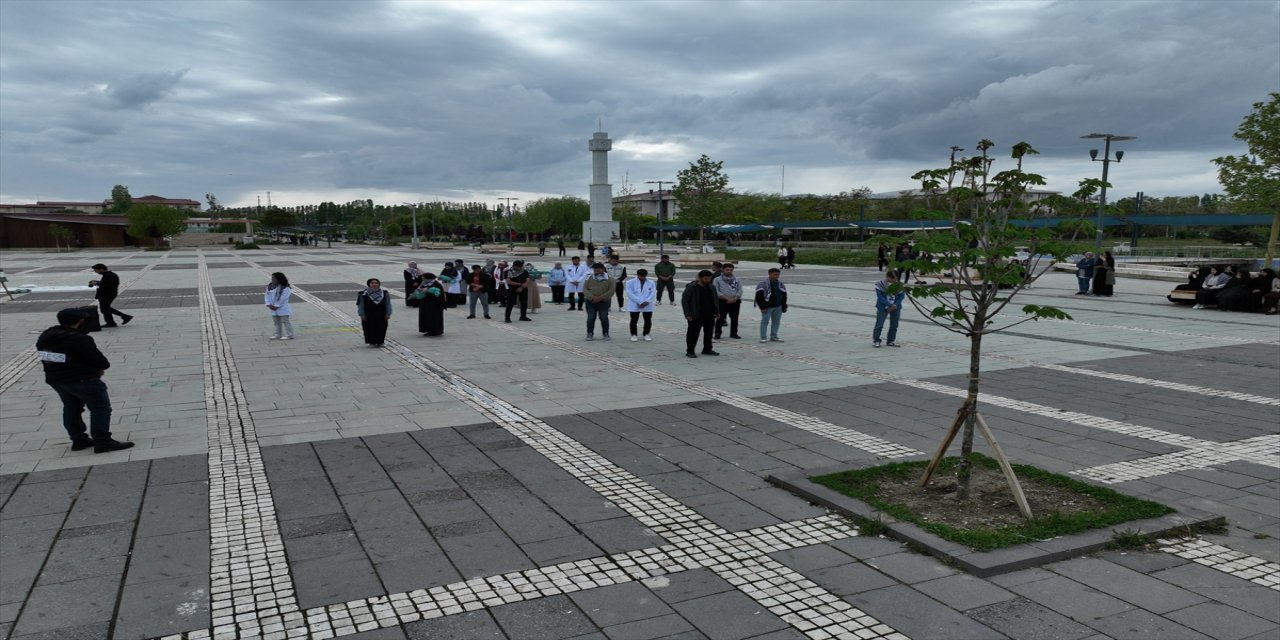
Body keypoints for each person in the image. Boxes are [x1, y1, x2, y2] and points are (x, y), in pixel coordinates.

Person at [38, 308, 134, 453]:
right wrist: (94, 370)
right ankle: (103, 441)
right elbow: (101, 362)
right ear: (80, 321)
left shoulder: (45, 336)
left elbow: (52, 358)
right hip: (83, 380)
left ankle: (78, 440)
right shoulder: (79, 338)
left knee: (71, 407)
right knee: (100, 408)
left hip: (56, 380)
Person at [682, 270, 719, 357]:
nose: (708, 280)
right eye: (706, 279)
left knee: (709, 333)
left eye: (709, 279)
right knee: (693, 333)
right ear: (700, 278)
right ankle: (690, 351)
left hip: (709, 314)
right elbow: (685, 301)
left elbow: (715, 300)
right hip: (696, 315)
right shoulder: (691, 287)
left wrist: (717, 311)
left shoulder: (711, 287)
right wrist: (687, 314)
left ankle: (707, 349)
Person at [754, 268, 788, 343]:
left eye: (778, 274)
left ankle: (774, 336)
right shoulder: (762, 283)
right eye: (775, 274)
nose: (777, 276)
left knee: (776, 322)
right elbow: (759, 296)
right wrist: (762, 307)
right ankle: (763, 337)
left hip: (778, 306)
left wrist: (784, 305)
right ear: (769, 274)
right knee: (765, 322)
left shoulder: (780, 283)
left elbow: (784, 294)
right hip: (767, 307)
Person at [873, 271, 905, 348]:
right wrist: (890, 305)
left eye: (895, 278)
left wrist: (895, 305)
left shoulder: (899, 285)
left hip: (896, 307)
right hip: (883, 307)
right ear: (887, 276)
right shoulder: (880, 284)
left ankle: (891, 340)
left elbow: (901, 296)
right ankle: (876, 340)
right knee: (879, 324)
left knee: (894, 325)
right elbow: (880, 298)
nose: (894, 280)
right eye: (892, 278)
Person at [583, 262, 614, 340]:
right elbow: (584, 289)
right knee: (591, 318)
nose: (596, 272)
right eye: (594, 270)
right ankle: (589, 333)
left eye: (597, 270)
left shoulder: (610, 279)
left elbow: (611, 291)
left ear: (603, 269)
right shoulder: (589, 278)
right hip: (591, 301)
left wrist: (600, 298)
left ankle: (605, 333)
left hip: (604, 302)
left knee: (604, 318)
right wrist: (592, 297)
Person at [357, 278, 392, 347]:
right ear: (369, 284)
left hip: (381, 313)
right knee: (369, 327)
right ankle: (371, 342)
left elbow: (388, 303)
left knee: (381, 327)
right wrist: (362, 314)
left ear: (379, 284)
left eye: (376, 283)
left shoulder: (384, 293)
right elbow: (360, 305)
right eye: (372, 283)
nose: (374, 284)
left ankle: (380, 341)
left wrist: (388, 313)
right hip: (368, 314)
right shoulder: (363, 294)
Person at [712, 262, 743, 340]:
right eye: (727, 270)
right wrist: (726, 298)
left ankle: (734, 333)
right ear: (722, 270)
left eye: (731, 270)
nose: (729, 271)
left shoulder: (736, 279)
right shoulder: (717, 279)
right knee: (720, 318)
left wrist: (735, 298)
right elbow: (716, 291)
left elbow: (740, 290)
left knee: (734, 318)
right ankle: (717, 333)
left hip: (735, 301)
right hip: (722, 301)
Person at [625, 268, 656, 342]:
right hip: (635, 303)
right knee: (634, 320)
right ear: (637, 275)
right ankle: (634, 334)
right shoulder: (630, 282)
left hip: (647, 303)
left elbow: (653, 292)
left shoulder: (651, 282)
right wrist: (640, 302)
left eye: (644, 276)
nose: (642, 278)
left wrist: (647, 301)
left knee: (648, 320)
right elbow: (630, 293)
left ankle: (646, 334)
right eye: (641, 276)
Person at [265, 272, 294, 340]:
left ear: (279, 279)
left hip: (282, 307)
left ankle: (289, 334)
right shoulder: (269, 286)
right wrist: (268, 303)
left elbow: (283, 298)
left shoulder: (285, 287)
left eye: (274, 278)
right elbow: (266, 295)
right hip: (273, 307)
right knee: (276, 322)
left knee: (285, 321)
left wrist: (277, 305)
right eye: (272, 277)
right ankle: (277, 334)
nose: (272, 279)